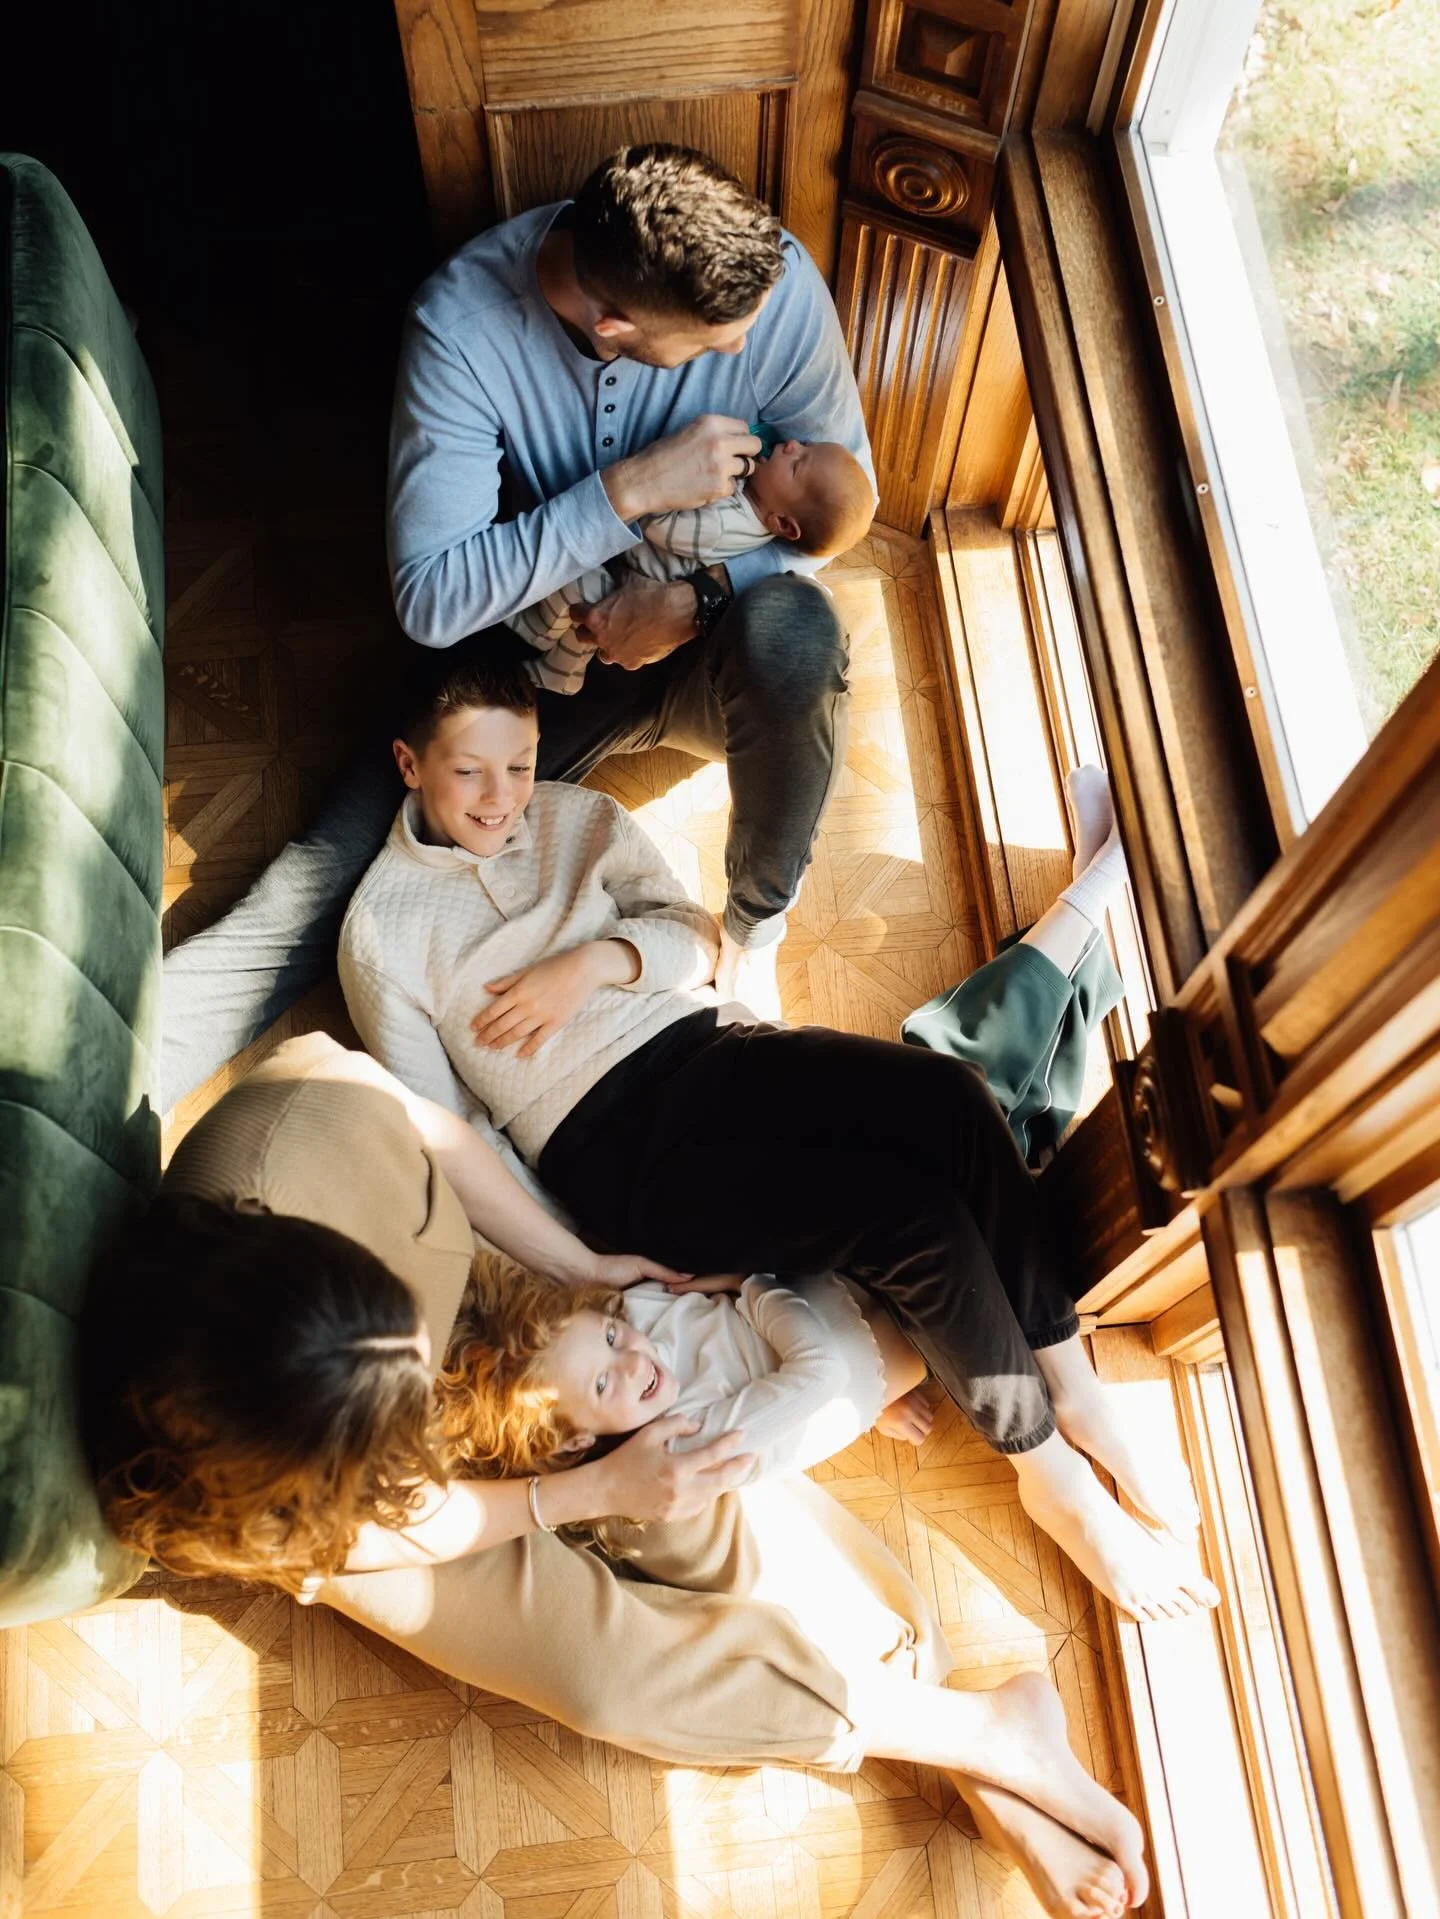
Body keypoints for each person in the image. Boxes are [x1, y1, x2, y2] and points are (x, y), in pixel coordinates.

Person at [84, 1032, 1145, 1919]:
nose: (422, 1366)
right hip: (371, 1510)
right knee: (604, 1666)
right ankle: (975, 1735)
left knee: (681, 1478)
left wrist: (574, 1265)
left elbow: (428, 1129)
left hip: (472, 1312)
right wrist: (576, 1495)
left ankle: (948, 1707)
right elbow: (391, 1524)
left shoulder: (294, 1124)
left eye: (399, 1327)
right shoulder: (245, 1490)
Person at [337, 642, 1217, 1625]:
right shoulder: (379, 934)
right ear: (410, 763)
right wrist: (586, 1263)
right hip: (615, 1151)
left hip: (711, 1047)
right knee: (905, 1214)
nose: (505, 798)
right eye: (471, 772)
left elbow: (692, 933)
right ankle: (1049, 1470)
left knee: (951, 1098)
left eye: (522, 762)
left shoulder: (576, 815)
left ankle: (1074, 1384)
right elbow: (456, 1137)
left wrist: (594, 963)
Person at [159, 143, 875, 1105]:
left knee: (799, 634)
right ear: (614, 325)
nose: (740, 354)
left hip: (717, 652)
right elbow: (430, 597)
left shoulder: (773, 288)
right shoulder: (459, 329)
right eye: (710, 346)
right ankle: (109, 1075)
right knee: (327, 876)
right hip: (543, 658)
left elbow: (845, 507)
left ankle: (754, 929)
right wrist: (625, 491)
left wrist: (697, 599)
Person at [437, 1255, 933, 1488]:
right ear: (574, 1441)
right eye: (603, 1384)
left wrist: (750, 1289)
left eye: (610, 1337)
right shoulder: (680, 1443)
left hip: (817, 1287)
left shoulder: (629, 1310)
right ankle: (886, 1403)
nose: (634, 1361)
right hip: (871, 1358)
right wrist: (748, 1284)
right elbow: (824, 1374)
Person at [511, 435, 874, 695]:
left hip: (631, 592)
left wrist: (669, 478)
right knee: (586, 614)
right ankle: (560, 667)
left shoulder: (724, 525)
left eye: (796, 465)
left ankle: (539, 634)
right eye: (805, 445)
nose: (792, 444)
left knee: (578, 586)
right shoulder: (751, 500)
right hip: (628, 571)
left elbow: (661, 528)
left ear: (783, 523)